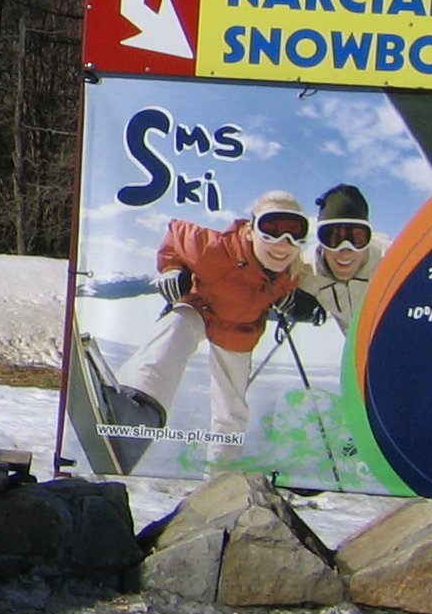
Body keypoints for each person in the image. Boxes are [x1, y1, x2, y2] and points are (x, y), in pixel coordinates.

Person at [115, 191, 307, 442]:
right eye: (271, 228)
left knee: (231, 407)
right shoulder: (214, 249)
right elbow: (176, 232)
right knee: (177, 327)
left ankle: (222, 468)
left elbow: (302, 285)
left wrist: (295, 302)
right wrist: (172, 268)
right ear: (250, 229)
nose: (283, 243)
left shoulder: (290, 273)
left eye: (295, 232)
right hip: (200, 307)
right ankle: (134, 398)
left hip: (239, 330)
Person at [295, 184, 381, 335]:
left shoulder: (391, 262)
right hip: (354, 349)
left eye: (356, 238)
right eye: (333, 237)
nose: (345, 251)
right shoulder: (305, 271)